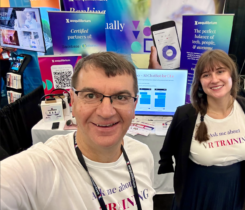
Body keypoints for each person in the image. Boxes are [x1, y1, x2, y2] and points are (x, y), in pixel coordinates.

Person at [0, 52, 156, 210]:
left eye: (121, 97)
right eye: (90, 95)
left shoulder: (142, 155)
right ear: (73, 102)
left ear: (134, 105)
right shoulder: (39, 170)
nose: (106, 112)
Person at [156, 49, 245, 209]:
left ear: (232, 75)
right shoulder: (186, 115)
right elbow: (168, 149)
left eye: (220, 71)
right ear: (200, 82)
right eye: (206, 75)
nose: (214, 79)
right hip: (196, 191)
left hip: (233, 190)